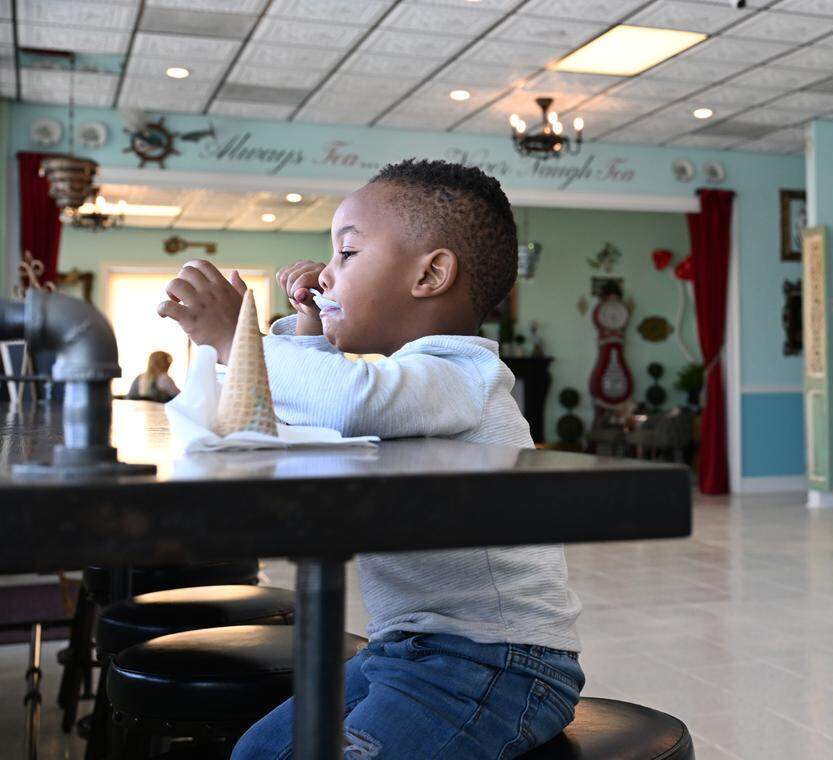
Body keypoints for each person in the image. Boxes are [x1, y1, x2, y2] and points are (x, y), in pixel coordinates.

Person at [157, 159, 583, 759]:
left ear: (431, 274)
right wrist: (308, 326)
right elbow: (308, 414)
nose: (325, 276)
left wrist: (237, 337)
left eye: (347, 255)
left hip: (496, 663)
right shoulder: (400, 383)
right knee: (258, 753)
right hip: (403, 648)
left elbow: (351, 399)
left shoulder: (464, 373)